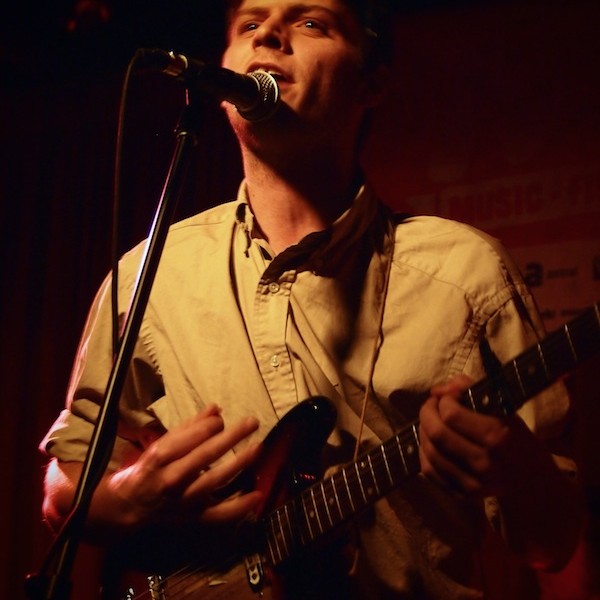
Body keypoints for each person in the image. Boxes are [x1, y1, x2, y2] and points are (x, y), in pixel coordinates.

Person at [40, 0, 584, 598]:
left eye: (309, 22)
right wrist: (119, 500)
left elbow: (553, 542)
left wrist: (517, 470)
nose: (269, 34)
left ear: (371, 83)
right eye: (250, 24)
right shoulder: (150, 272)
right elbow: (65, 482)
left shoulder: (467, 272)